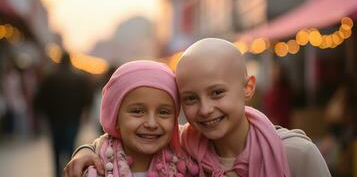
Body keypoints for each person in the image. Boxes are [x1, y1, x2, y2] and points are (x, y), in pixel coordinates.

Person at [65, 38, 331, 177]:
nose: (205, 109)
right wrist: (86, 149)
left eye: (217, 93)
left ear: (248, 87)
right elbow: (122, 141)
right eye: (190, 98)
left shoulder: (295, 153)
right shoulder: (186, 150)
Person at [64, 60, 198, 177]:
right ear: (115, 117)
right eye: (137, 111)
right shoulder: (94, 168)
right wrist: (85, 150)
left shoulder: (191, 157)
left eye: (163, 112)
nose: (151, 123)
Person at [34, 51, 93, 177]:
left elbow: (40, 98)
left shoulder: (50, 77)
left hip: (55, 119)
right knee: (71, 147)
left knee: (56, 148)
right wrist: (84, 112)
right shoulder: (79, 78)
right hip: (73, 119)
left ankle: (57, 173)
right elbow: (87, 98)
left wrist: (46, 113)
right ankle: (70, 172)